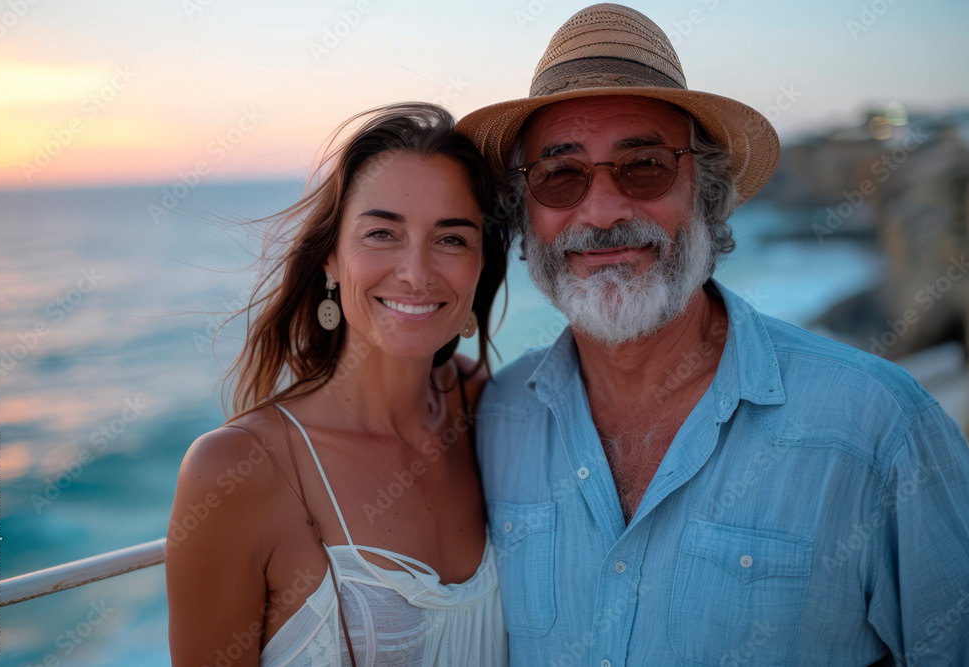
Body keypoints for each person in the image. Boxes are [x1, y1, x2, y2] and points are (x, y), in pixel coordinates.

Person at [456, 4, 969, 666]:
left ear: (707, 193)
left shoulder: (880, 430)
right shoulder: (495, 419)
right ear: (524, 214)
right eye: (560, 174)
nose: (604, 210)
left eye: (643, 165)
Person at [165, 102, 511, 666]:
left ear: (479, 264)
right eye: (382, 233)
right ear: (330, 257)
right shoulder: (235, 470)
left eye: (451, 239)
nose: (417, 272)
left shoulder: (481, 406)